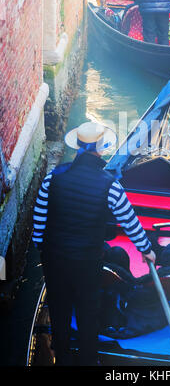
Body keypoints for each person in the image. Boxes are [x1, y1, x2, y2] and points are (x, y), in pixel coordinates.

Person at [32, 121, 156, 366]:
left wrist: (43, 248)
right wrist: (146, 250)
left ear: (77, 147)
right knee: (88, 310)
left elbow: (39, 222)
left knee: (59, 307)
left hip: (54, 259)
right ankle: (89, 360)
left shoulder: (52, 178)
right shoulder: (110, 185)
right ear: (100, 149)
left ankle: (63, 357)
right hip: (87, 263)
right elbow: (130, 222)